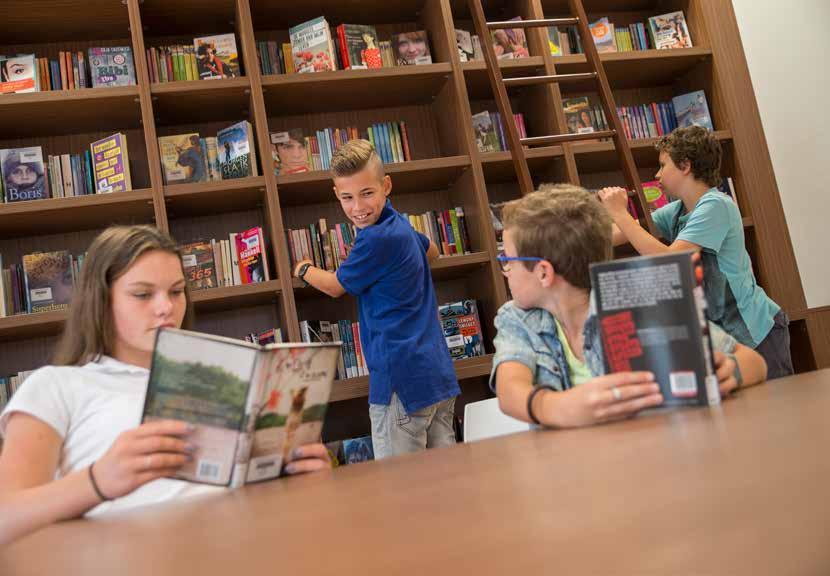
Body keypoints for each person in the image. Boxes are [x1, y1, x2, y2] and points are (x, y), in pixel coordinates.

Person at [0, 225, 330, 546]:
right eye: (143, 294)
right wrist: (97, 481)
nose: (166, 308)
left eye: (176, 291)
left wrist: (297, 475)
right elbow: (6, 520)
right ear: (101, 299)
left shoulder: (218, 378)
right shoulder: (58, 385)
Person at [491, 184, 768, 427]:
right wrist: (555, 407)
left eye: (508, 261)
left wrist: (732, 371)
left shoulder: (638, 304)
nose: (506, 271)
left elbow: (754, 362)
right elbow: (510, 388)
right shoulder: (516, 318)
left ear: (543, 273)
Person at [292, 139, 459, 459]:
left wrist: (303, 269)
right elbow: (433, 251)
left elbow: (334, 286)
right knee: (443, 487)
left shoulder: (374, 239)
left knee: (400, 495)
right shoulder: (400, 225)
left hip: (401, 386)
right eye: (347, 197)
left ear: (386, 185)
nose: (358, 207)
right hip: (436, 375)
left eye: (367, 193)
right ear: (336, 195)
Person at [598, 126, 792, 379]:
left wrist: (620, 213)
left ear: (685, 165)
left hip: (757, 333)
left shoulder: (717, 205)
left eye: (663, 165)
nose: (657, 175)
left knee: (777, 408)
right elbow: (624, 232)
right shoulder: (677, 210)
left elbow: (672, 260)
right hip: (727, 337)